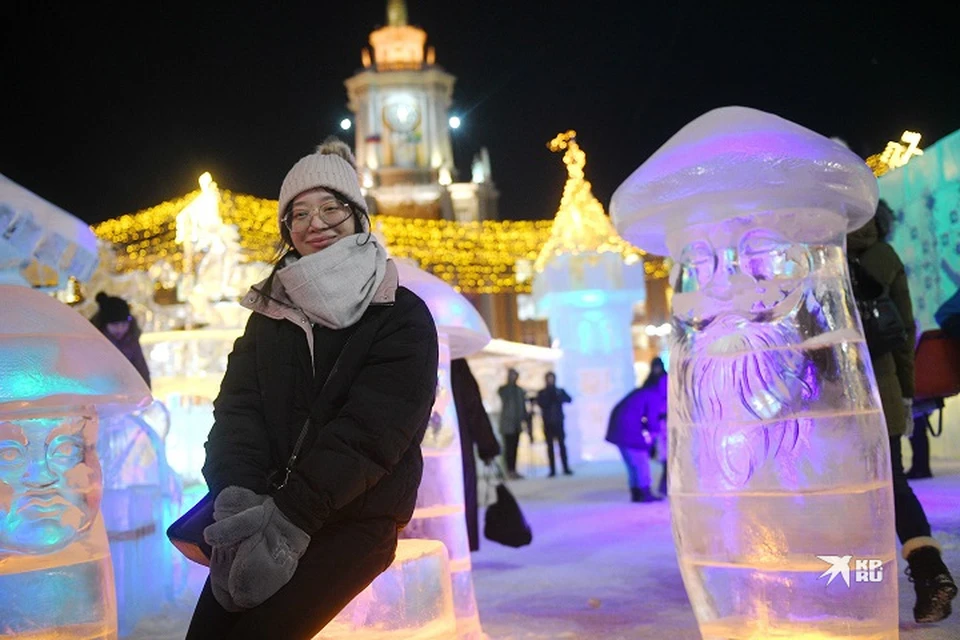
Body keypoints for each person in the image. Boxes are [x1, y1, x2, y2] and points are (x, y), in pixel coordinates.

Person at [186, 138, 439, 638]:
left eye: (331, 207)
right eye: (298, 214)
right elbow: (237, 409)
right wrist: (237, 495)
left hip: (353, 519)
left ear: (358, 216)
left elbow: (371, 433)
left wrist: (291, 517)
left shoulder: (399, 313)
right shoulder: (271, 314)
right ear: (287, 230)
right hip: (259, 509)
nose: (315, 223)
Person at [847, 200, 957, 623]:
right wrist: (907, 393)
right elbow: (903, 330)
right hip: (883, 389)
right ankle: (932, 576)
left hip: (835, 397)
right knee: (893, 485)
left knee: (841, 492)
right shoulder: (886, 255)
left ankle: (853, 593)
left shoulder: (819, 253)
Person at [450, 358, 501, 552]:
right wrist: (487, 446)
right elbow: (473, 408)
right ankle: (461, 548)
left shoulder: (409, 352)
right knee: (460, 498)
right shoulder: (455, 363)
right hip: (456, 446)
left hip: (420, 449)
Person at [605, 358, 667, 502]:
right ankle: (644, 492)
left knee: (633, 464)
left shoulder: (643, 391)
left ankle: (636, 491)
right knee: (641, 462)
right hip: (629, 431)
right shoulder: (653, 395)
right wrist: (653, 435)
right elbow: (652, 419)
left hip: (619, 430)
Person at [91, 292, 151, 387]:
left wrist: (146, 392)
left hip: (129, 392)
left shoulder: (131, 340)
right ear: (104, 324)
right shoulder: (93, 343)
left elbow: (141, 369)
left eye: (124, 324)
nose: (120, 329)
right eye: (115, 325)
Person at [536, 372, 573, 477]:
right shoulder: (543, 393)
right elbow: (541, 403)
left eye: (552, 378)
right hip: (548, 422)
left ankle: (565, 468)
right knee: (550, 447)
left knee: (562, 445)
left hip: (558, 421)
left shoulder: (559, 391)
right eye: (549, 378)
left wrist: (558, 396)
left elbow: (569, 399)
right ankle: (552, 470)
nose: (550, 380)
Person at [497, 368, 527, 480]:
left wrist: (525, 420)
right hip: (507, 424)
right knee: (508, 449)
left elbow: (522, 408)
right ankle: (508, 470)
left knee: (514, 448)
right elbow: (503, 395)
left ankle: (513, 470)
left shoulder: (519, 391)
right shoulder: (504, 389)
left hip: (516, 424)